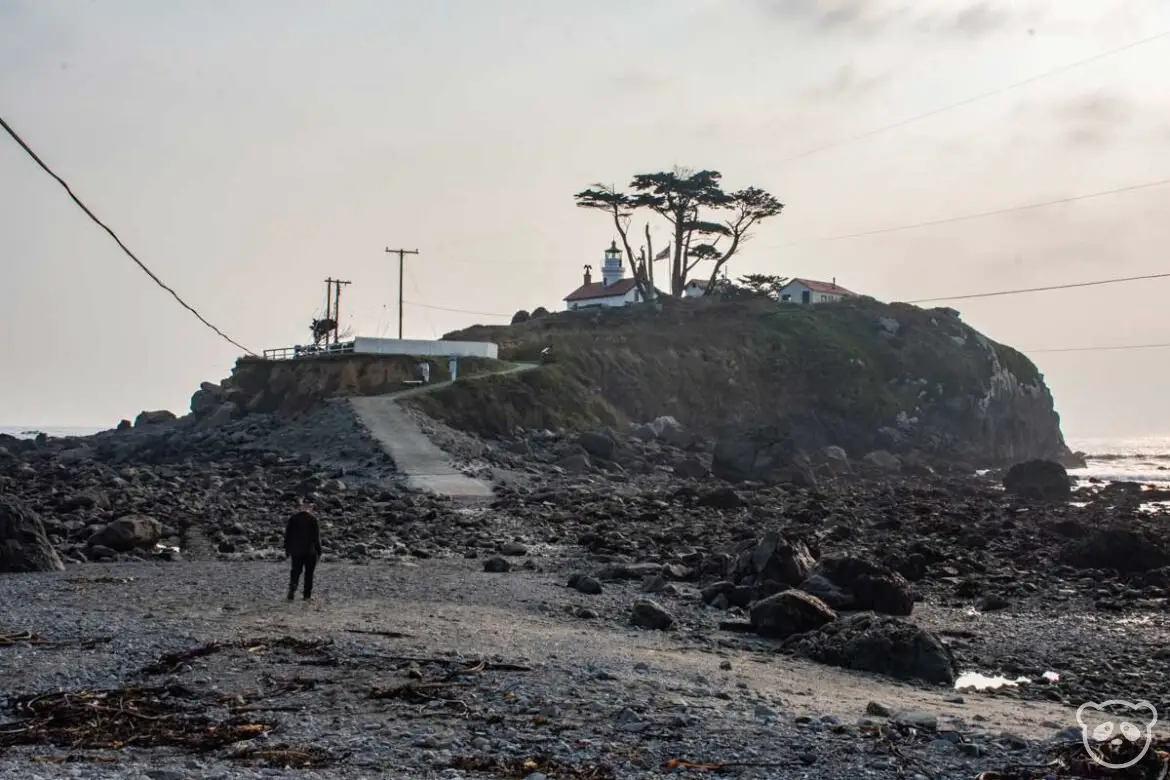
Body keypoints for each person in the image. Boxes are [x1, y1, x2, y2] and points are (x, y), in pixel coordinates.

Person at [284, 501, 322, 601]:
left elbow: (287, 536)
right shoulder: (313, 519)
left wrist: (287, 550)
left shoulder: (293, 519)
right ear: (310, 508)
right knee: (309, 573)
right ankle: (307, 595)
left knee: (295, 571)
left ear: (301, 507)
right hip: (310, 551)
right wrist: (319, 551)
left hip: (296, 550)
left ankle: (292, 589)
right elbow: (316, 538)